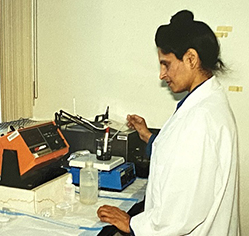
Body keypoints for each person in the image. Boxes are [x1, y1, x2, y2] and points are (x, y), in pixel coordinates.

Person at [97, 10, 239, 235]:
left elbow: (182, 213)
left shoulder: (202, 117)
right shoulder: (205, 102)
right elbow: (183, 156)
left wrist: (132, 223)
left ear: (191, 58)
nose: (162, 74)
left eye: (166, 64)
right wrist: (148, 136)